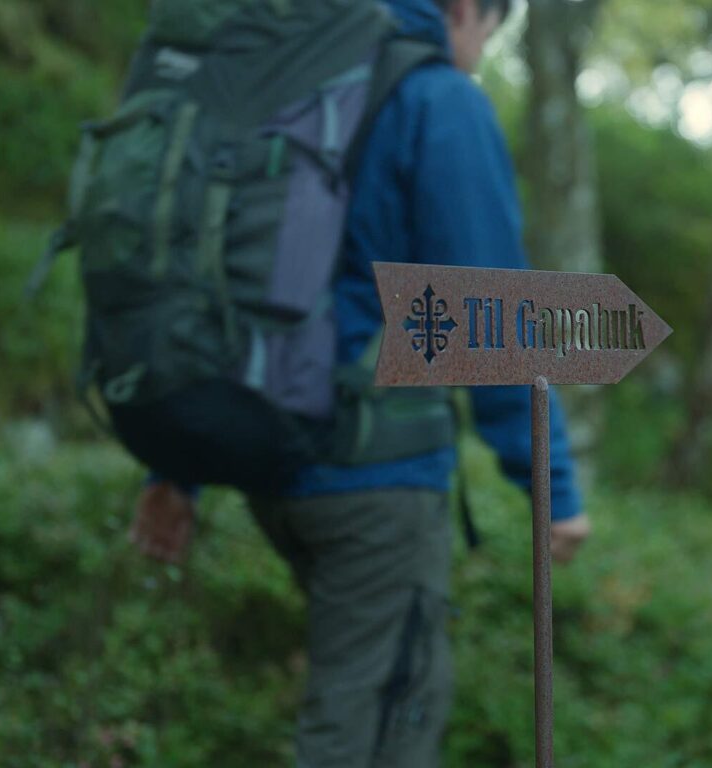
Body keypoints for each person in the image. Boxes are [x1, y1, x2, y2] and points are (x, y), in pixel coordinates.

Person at [129, 0, 591, 765]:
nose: (479, 53)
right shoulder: (438, 98)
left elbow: (214, 278)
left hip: (265, 455)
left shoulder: (290, 85)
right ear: (464, 10)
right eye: (489, 32)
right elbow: (491, 307)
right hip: (377, 475)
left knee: (355, 702)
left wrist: (177, 466)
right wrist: (553, 485)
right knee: (377, 726)